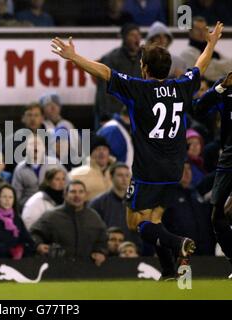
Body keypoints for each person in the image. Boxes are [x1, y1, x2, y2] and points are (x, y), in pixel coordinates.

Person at [51, 21, 223, 278]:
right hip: (176, 167)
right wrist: (211, 43)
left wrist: (74, 57)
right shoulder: (182, 84)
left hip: (148, 169)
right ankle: (167, 272)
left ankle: (179, 244)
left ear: (144, 68)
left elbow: (105, 73)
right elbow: (201, 66)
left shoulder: (139, 89)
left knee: (137, 223)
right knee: (154, 219)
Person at [193, 71, 232, 277]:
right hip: (228, 159)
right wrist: (221, 88)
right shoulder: (226, 87)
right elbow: (197, 110)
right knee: (218, 217)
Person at [31, 180, 108, 266]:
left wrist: (101, 252)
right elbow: (33, 234)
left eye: (81, 192)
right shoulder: (51, 216)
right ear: (65, 195)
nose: (77, 195)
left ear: (86, 195)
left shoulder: (94, 217)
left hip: (87, 270)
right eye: (73, 192)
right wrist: (38, 245)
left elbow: (103, 239)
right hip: (57, 270)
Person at [94, 23, 142, 128]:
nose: (136, 38)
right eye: (132, 35)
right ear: (124, 37)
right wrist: (106, 116)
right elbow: (103, 91)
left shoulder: (144, 58)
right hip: (115, 114)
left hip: (138, 113)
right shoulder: (111, 58)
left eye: (138, 35)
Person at [89, 163, 141, 246]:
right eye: (120, 175)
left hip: (131, 250)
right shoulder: (98, 202)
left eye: (127, 175)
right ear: (111, 177)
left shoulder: (138, 202)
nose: (124, 179)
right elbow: (92, 229)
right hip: (106, 250)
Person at [0, 183, 35, 259]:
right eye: (4, 197)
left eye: (11, 197)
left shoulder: (17, 219)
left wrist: (22, 249)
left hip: (17, 264)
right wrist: (8, 251)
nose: (7, 200)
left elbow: (29, 243)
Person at [12, 134, 67, 209]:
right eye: (31, 144)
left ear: (44, 147)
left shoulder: (55, 163)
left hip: (54, 206)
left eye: (38, 143)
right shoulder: (20, 168)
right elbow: (16, 196)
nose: (35, 146)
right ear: (26, 148)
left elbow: (68, 184)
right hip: (29, 208)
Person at [181, 16, 232, 82]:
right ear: (191, 31)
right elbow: (207, 73)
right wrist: (221, 67)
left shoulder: (213, 51)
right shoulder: (187, 54)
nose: (201, 32)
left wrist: (212, 64)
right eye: (198, 29)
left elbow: (230, 65)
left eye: (204, 29)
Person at [69, 136, 113, 201]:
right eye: (97, 149)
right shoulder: (76, 175)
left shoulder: (120, 172)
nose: (102, 152)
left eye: (104, 149)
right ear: (91, 153)